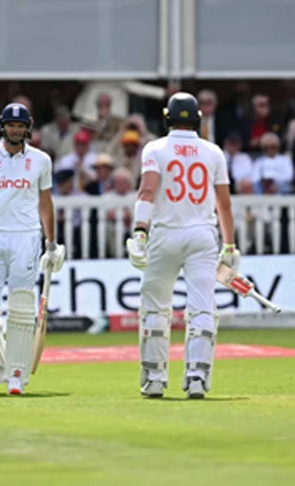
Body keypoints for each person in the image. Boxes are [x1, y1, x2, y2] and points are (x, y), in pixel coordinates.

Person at [125, 92, 237, 400]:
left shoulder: (155, 148)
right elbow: (224, 205)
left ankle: (155, 379)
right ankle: (197, 377)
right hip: (202, 236)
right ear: (198, 119)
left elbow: (147, 192)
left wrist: (139, 232)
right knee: (202, 306)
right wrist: (229, 245)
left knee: (155, 308)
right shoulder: (213, 152)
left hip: (165, 234)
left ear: (166, 118)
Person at [0, 103, 65, 396]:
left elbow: (46, 204)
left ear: (27, 128)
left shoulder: (41, 161)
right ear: (2, 127)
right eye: (11, 125)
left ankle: (17, 374)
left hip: (26, 238)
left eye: (20, 125)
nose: (15, 130)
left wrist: (51, 244)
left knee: (20, 307)